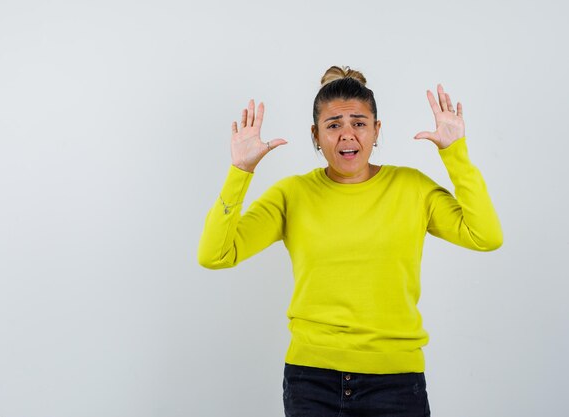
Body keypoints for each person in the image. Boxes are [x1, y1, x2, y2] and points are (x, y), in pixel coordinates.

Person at [197, 66, 502, 417]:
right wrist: (241, 172)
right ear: (315, 134)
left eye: (358, 123)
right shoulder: (291, 195)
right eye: (333, 125)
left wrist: (455, 154)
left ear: (376, 130)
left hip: (396, 383)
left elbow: (485, 236)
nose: (347, 135)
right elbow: (215, 254)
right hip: (311, 383)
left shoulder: (412, 188)